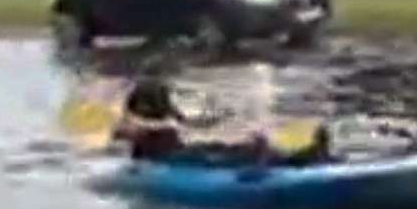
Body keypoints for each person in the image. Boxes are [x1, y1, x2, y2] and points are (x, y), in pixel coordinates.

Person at [114, 75, 332, 167]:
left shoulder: (168, 114)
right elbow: (124, 131)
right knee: (221, 156)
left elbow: (189, 123)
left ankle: (301, 156)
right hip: (167, 162)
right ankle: (265, 155)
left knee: (223, 148)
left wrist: (217, 118)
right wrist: (162, 126)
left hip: (182, 155)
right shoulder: (133, 118)